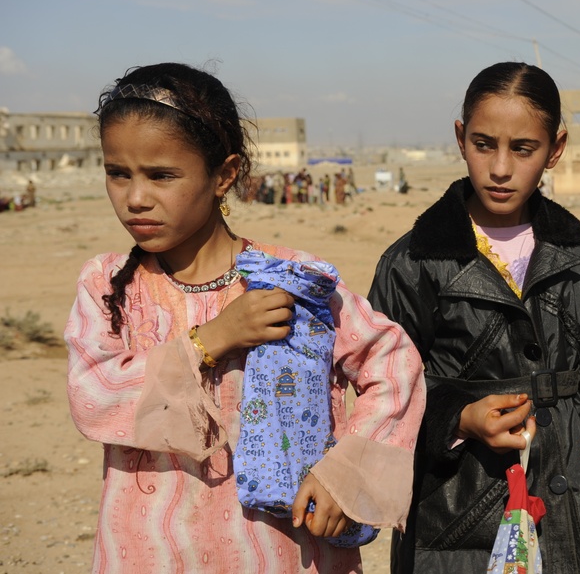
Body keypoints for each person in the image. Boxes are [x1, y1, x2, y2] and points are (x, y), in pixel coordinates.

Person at [65, 62, 426, 574]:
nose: (135, 198)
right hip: (148, 552)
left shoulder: (292, 282)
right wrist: (212, 340)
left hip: (280, 553)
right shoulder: (106, 284)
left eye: (161, 175)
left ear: (225, 174)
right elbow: (94, 397)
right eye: (117, 173)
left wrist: (346, 476)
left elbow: (393, 364)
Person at [369, 62, 580, 574]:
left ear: (555, 149)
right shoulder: (413, 262)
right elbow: (386, 390)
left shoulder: (578, 249)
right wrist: (458, 418)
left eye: (523, 149)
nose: (500, 168)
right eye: (484, 144)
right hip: (458, 519)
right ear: (460, 138)